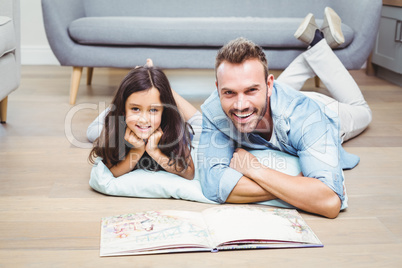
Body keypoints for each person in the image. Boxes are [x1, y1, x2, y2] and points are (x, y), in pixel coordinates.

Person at [198, 7, 372, 218]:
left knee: (362, 111)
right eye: (229, 92)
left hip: (326, 112)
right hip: (275, 103)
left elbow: (328, 201)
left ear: (270, 86)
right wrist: (296, 186)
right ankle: (317, 44)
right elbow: (212, 184)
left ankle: (319, 47)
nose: (240, 103)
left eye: (251, 90)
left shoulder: (307, 116)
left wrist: (256, 170)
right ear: (217, 89)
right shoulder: (215, 108)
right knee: (254, 99)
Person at [88, 62, 198, 180]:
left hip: (169, 120)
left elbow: (189, 173)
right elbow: (112, 171)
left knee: (199, 122)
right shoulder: (114, 126)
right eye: (135, 109)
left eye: (153, 110)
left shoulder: (175, 127)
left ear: (164, 111)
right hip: (122, 119)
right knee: (92, 132)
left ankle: (149, 75)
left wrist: (155, 152)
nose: (144, 120)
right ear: (124, 111)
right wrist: (137, 150)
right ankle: (122, 102)